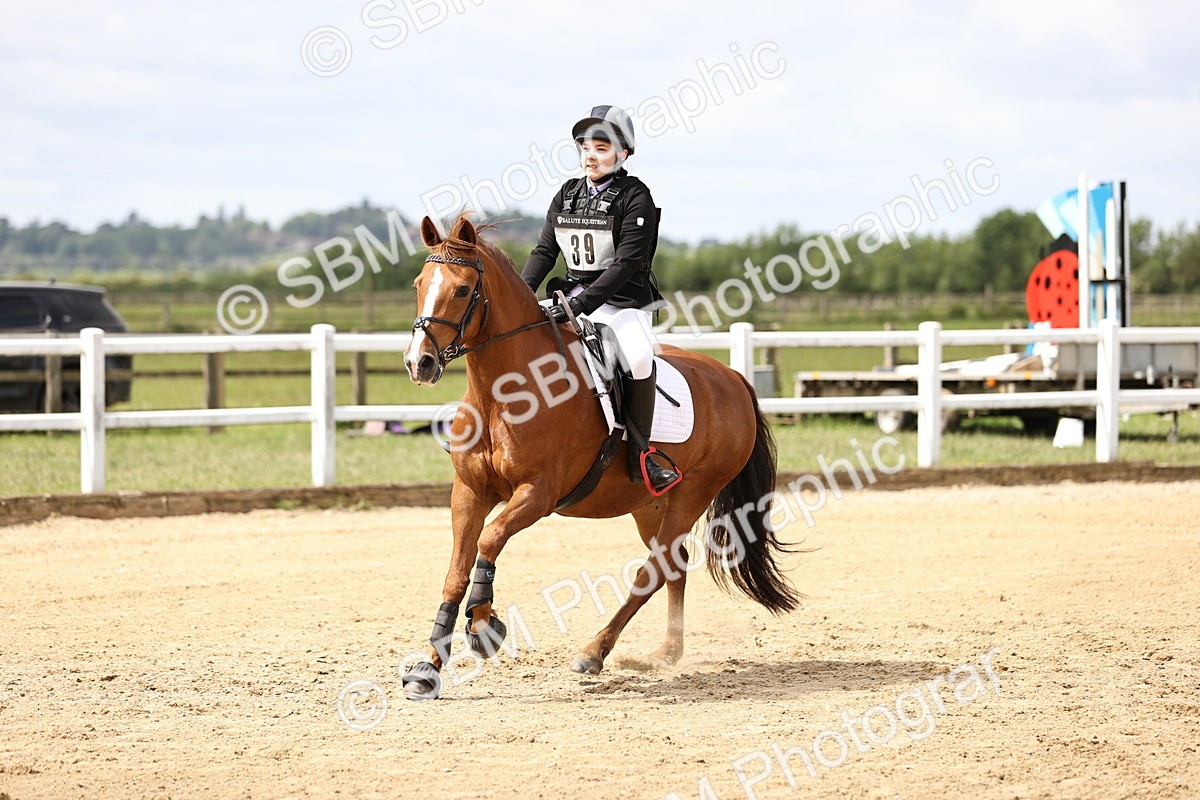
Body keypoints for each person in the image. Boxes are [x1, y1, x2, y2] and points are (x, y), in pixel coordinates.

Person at [521, 105, 682, 494]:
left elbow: (626, 264)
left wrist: (580, 305)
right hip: (570, 296)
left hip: (622, 304)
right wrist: (523, 294)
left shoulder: (635, 197)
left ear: (623, 152)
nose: (590, 156)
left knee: (640, 357)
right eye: (585, 147)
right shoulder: (568, 194)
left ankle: (643, 454)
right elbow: (545, 252)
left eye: (601, 148)